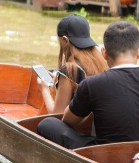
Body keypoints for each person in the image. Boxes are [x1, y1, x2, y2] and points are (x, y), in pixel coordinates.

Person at [37, 21, 139, 149]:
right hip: (136, 157)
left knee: (48, 124)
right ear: (138, 53)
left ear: (104, 53)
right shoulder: (92, 81)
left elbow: (68, 121)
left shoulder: (92, 84)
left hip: (106, 155)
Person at [37, 14, 108, 114]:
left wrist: (44, 89)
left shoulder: (69, 70)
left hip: (79, 128)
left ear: (65, 40)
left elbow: (57, 114)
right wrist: (58, 79)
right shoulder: (101, 61)